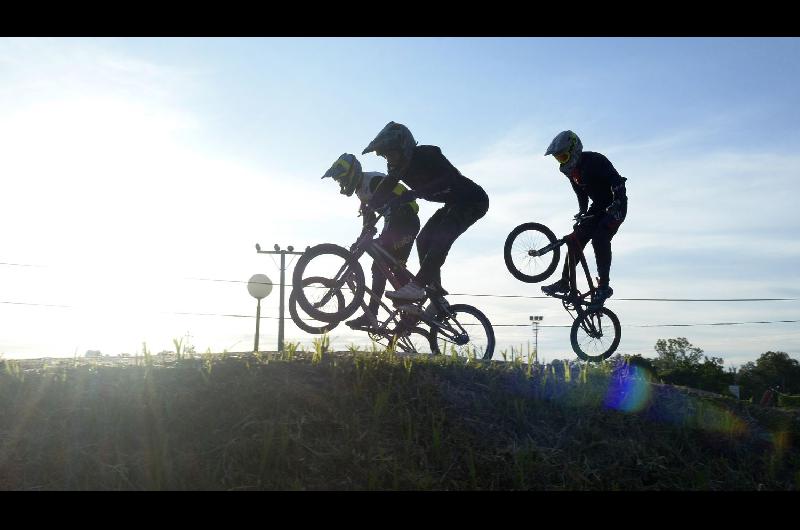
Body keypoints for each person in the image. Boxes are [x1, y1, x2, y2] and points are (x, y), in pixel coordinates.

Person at [361, 121, 489, 302]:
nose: (389, 160)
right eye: (385, 157)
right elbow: (384, 187)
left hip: (472, 200)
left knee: (442, 235)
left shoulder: (427, 155)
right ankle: (435, 294)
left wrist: (415, 193)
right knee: (423, 240)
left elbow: (449, 178)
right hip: (452, 204)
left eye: (390, 154)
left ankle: (418, 286)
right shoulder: (399, 170)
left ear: (403, 147)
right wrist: (370, 205)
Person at [321, 153, 420, 329]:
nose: (340, 184)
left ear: (351, 173)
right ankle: (407, 313)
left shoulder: (372, 181)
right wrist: (360, 241)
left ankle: (409, 304)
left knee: (385, 262)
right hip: (395, 224)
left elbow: (401, 198)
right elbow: (369, 225)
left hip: (405, 221)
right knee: (383, 266)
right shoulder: (361, 191)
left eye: (340, 179)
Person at [540, 130, 627, 307]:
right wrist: (582, 210)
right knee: (575, 238)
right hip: (598, 208)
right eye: (558, 159)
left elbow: (616, 180)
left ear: (574, 150)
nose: (562, 162)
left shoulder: (595, 161)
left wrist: (617, 200)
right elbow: (581, 193)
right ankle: (565, 282)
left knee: (599, 238)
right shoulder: (573, 172)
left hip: (616, 206)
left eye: (564, 157)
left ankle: (604, 286)